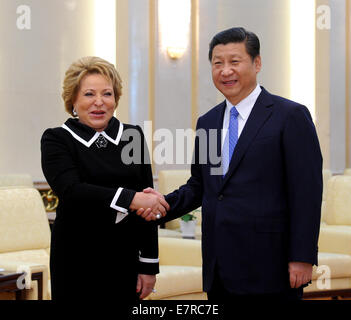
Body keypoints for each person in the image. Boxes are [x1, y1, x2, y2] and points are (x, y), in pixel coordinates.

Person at [139, 27, 323, 301]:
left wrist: (302, 256)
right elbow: (200, 186)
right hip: (220, 267)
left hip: (270, 266)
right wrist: (160, 206)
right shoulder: (208, 122)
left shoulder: (290, 116)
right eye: (218, 63)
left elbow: (306, 192)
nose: (225, 71)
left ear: (257, 63)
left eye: (234, 62)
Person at [41, 56, 169, 302]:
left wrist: (149, 265)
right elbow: (71, 191)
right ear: (73, 100)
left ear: (116, 98)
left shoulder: (132, 136)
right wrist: (132, 199)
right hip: (76, 256)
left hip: (124, 256)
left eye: (107, 94)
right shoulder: (57, 139)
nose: (99, 102)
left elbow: (149, 206)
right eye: (89, 94)